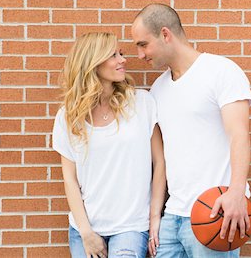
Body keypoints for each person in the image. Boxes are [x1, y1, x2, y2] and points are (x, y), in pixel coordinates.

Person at [131, 4, 251, 258]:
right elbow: (162, 158)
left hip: (215, 212)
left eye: (143, 44)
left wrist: (236, 193)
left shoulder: (221, 71)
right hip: (173, 215)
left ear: (166, 34)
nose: (140, 55)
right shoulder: (159, 88)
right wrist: (157, 216)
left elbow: (239, 135)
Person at [52, 32, 166, 258]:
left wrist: (155, 219)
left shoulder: (141, 103)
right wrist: (86, 233)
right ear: (93, 63)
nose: (123, 59)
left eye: (121, 53)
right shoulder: (68, 116)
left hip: (131, 227)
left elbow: (160, 162)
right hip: (85, 228)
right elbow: (70, 179)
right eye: (113, 55)